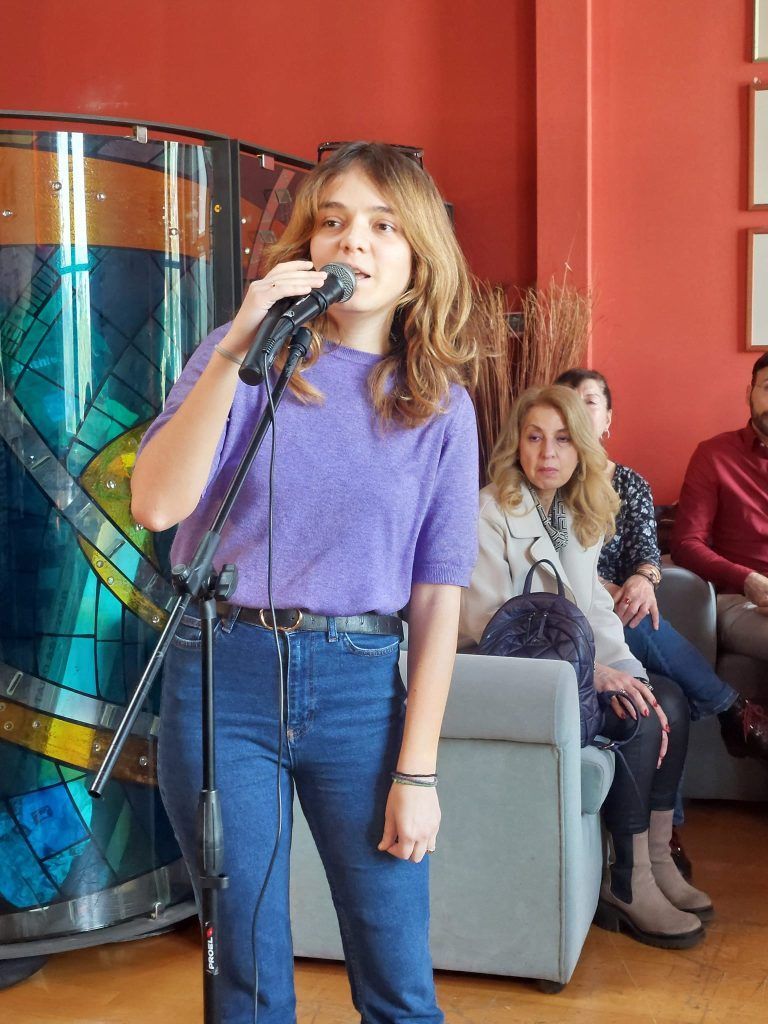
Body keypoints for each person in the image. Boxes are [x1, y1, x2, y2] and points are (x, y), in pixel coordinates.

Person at [131, 142, 487, 1024]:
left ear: (419, 260)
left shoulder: (441, 406)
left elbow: (437, 597)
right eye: (333, 221)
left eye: (382, 225)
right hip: (224, 678)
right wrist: (235, 349)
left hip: (359, 687)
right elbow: (157, 504)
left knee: (397, 974)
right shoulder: (239, 359)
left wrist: (418, 773)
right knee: (245, 974)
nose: (352, 241)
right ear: (307, 246)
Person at [458, 385, 711, 949]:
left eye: (563, 439)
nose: (548, 453)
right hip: (512, 674)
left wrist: (628, 673)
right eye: (534, 438)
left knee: (667, 700)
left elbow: (596, 611)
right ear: (516, 444)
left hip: (565, 669)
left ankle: (656, 860)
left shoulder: (577, 512)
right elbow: (489, 623)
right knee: (637, 717)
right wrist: (594, 676)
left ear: (582, 448)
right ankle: (627, 883)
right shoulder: (489, 511)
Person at [555, 368, 768, 772]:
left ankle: (732, 715)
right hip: (584, 610)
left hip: (618, 607)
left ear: (608, 418)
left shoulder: (628, 483)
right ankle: (733, 709)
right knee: (630, 618)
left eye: (589, 402)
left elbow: (648, 554)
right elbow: (549, 559)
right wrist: (602, 587)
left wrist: (644, 578)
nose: (577, 412)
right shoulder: (546, 483)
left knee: (665, 686)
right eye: (566, 402)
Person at [672, 352, 768, 677]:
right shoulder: (715, 455)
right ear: (749, 393)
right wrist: (747, 579)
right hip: (744, 599)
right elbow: (686, 543)